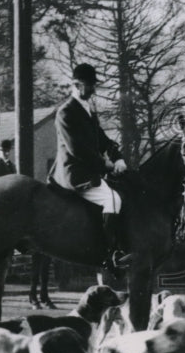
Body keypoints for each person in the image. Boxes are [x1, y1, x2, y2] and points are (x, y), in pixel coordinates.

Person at [47, 63, 130, 272]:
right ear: (76, 84)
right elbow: (78, 150)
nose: (93, 89)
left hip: (89, 170)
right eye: (89, 85)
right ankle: (108, 254)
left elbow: (101, 139)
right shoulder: (65, 113)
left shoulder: (88, 110)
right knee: (113, 199)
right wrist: (107, 165)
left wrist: (118, 157)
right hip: (74, 173)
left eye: (93, 84)